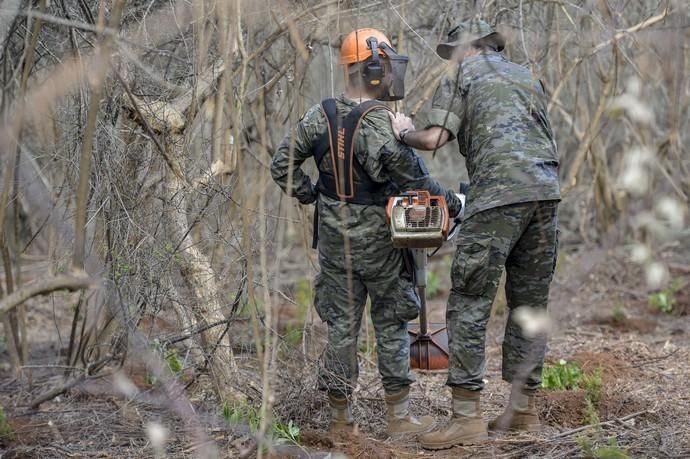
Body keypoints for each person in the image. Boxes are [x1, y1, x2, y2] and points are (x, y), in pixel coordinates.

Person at [270, 28, 462, 437]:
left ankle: (341, 420)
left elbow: (280, 164)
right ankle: (399, 419)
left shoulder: (317, 116)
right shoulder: (382, 125)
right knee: (392, 322)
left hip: (335, 246)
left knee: (341, 327)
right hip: (382, 244)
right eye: (386, 65)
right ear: (373, 68)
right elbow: (418, 181)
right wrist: (454, 203)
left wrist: (311, 195)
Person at [389, 19, 560, 449]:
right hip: (545, 194)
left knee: (468, 300)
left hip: (499, 197)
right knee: (530, 303)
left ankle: (465, 416)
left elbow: (433, 138)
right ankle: (523, 409)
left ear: (465, 48)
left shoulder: (464, 74)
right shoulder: (526, 75)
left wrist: (401, 130)